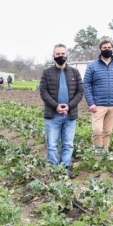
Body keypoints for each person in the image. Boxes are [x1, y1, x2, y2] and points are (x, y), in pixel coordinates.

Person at [40, 44, 84, 176]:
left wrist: (70, 106)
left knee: (68, 144)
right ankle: (54, 170)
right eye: (58, 54)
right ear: (53, 56)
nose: (61, 56)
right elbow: (43, 91)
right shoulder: (47, 73)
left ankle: (65, 168)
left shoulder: (74, 72)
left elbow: (80, 91)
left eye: (63, 54)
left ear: (67, 55)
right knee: (52, 144)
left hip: (70, 115)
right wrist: (56, 106)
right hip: (53, 115)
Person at [83, 39, 113, 150]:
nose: (107, 50)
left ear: (112, 49)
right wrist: (91, 103)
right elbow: (86, 84)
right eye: (104, 48)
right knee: (97, 131)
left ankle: (105, 155)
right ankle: (98, 155)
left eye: (109, 48)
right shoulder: (92, 66)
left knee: (107, 132)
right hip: (98, 105)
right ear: (100, 49)